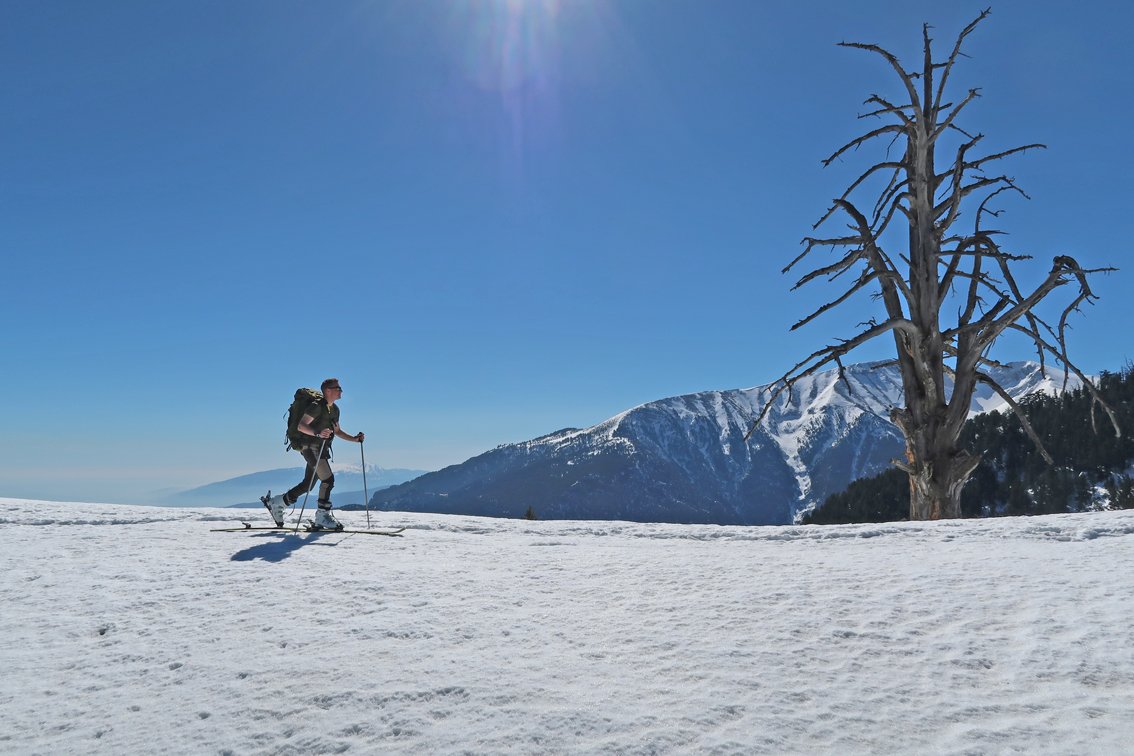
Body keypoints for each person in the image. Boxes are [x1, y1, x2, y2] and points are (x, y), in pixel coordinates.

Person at [261, 378, 365, 530]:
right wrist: (318, 433)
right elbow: (301, 426)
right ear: (328, 391)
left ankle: (277, 503)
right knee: (328, 480)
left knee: (307, 485)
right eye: (337, 388)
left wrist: (355, 439)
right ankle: (322, 516)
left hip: (321, 449)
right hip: (310, 448)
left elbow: (337, 431)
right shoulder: (316, 407)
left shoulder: (335, 410)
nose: (341, 391)